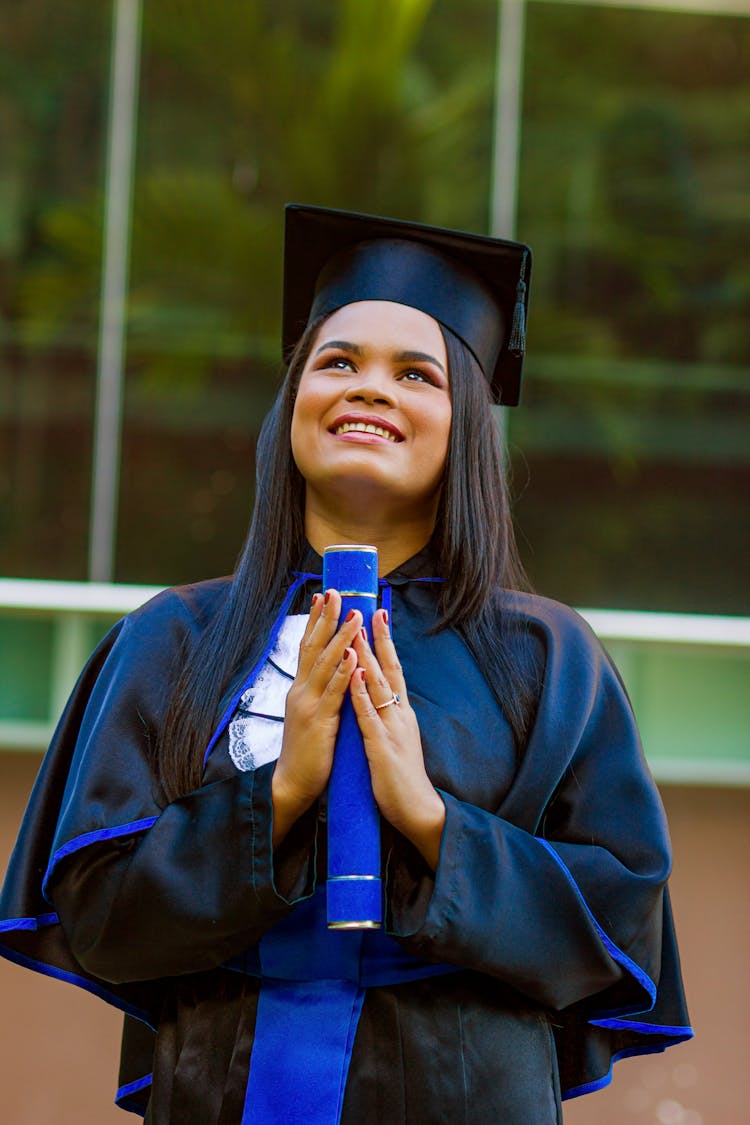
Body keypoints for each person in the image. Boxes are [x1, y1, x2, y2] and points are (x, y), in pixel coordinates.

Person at [0, 205, 692, 1124]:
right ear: (293, 404)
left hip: (467, 1094)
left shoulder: (545, 657)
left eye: (416, 373)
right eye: (338, 362)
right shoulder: (174, 638)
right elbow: (98, 913)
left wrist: (430, 818)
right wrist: (279, 792)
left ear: (466, 427)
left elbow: (615, 927)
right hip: (224, 1088)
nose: (370, 389)